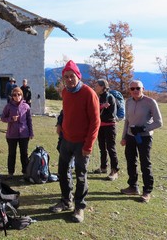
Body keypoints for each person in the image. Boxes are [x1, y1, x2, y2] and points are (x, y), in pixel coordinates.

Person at [49, 60, 100, 223]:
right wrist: (59, 124)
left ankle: (79, 207)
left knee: (81, 176)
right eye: (66, 77)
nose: (69, 79)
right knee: (63, 173)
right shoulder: (65, 92)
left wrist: (89, 145)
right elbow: (65, 110)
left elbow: (95, 122)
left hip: (81, 144)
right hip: (66, 140)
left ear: (78, 76)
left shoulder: (89, 93)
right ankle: (66, 201)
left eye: (72, 76)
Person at [120, 80, 162, 203]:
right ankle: (133, 187)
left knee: (145, 163)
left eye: (137, 88)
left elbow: (159, 122)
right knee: (131, 162)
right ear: (130, 90)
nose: (135, 91)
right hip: (130, 136)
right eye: (132, 89)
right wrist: (124, 137)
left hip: (144, 137)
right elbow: (127, 121)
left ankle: (147, 191)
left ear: (143, 88)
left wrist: (144, 128)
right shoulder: (128, 102)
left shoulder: (150, 102)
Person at [1, 87, 34, 178]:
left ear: (22, 95)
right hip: (11, 135)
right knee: (12, 154)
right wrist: (11, 119)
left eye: (19, 94)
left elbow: (29, 120)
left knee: (24, 154)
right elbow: (2, 118)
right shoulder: (8, 106)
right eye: (15, 95)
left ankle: (25, 172)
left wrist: (31, 133)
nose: (17, 96)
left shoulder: (26, 106)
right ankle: (10, 173)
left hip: (24, 134)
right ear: (12, 96)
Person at [93, 79, 120, 181]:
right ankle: (103, 167)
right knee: (102, 147)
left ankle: (114, 171)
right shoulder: (99, 97)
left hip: (109, 126)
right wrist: (101, 107)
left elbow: (111, 115)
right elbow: (95, 109)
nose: (95, 87)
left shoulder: (110, 97)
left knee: (110, 148)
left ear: (103, 87)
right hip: (100, 126)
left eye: (97, 85)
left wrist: (100, 108)